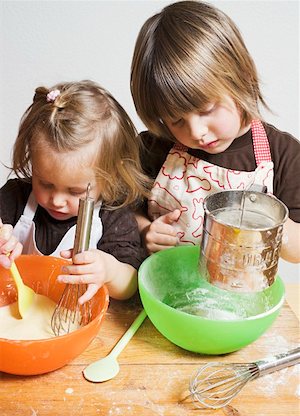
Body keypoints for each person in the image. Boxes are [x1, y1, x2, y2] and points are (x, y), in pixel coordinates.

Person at [130, 0, 300, 264]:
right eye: (176, 120)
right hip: (167, 290)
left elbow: (298, 251)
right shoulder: (157, 147)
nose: (196, 132)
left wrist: (271, 220)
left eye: (206, 109)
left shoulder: (284, 154)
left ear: (241, 77)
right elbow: (123, 210)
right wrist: (145, 231)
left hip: (242, 298)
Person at [0, 80, 150, 304]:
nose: (57, 200)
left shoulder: (113, 218)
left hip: (76, 314)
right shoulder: (16, 198)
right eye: (45, 183)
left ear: (110, 177)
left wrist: (109, 272)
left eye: (76, 191)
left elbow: (131, 285)